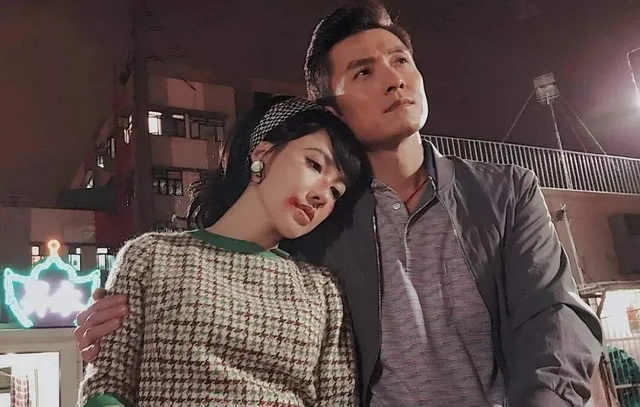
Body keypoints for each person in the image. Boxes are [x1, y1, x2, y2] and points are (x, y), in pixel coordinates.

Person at [76, 1, 604, 406]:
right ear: (331, 109)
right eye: (364, 72)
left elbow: (554, 316)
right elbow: (230, 269)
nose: (394, 78)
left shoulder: (504, 192)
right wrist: (125, 312)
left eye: (401, 61)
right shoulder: (323, 216)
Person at [76, 96, 368, 406]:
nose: (323, 195)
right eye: (314, 164)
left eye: (336, 191)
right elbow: (107, 385)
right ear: (262, 153)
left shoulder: (322, 291)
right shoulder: (151, 256)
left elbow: (338, 401)